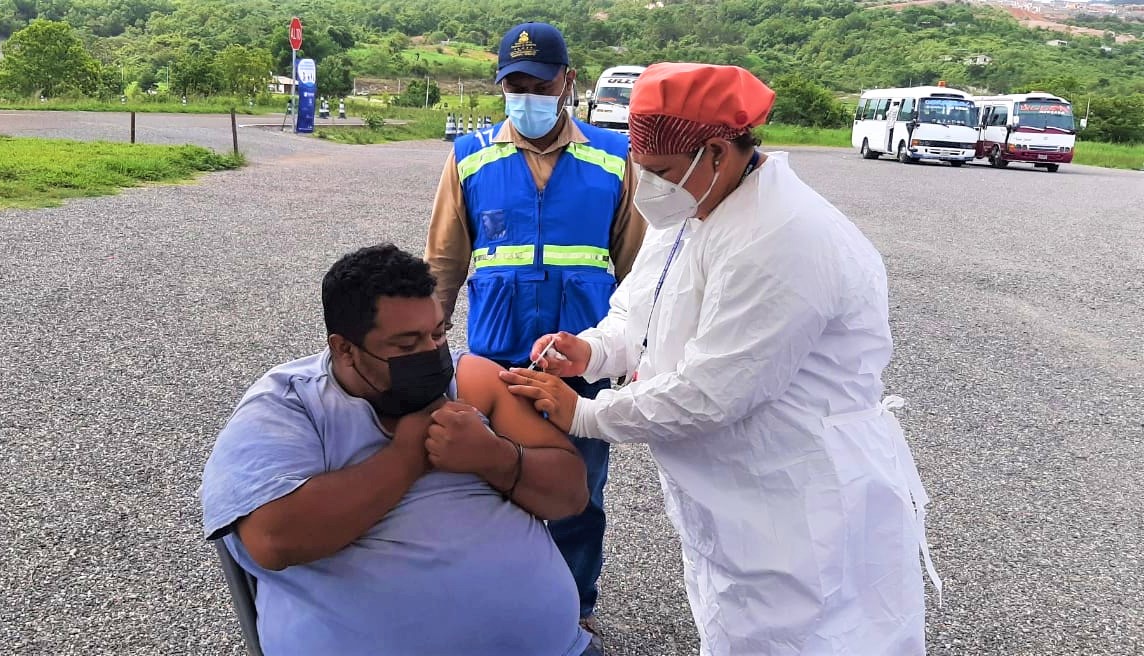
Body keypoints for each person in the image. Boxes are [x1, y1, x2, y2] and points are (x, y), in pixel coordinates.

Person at [500, 63, 941, 655]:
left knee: (813, 636)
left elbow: (712, 392)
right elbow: (643, 311)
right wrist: (590, 350)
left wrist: (583, 415)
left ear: (715, 151)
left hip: (798, 499)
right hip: (735, 491)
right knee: (735, 624)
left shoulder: (782, 237)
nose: (647, 185)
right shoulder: (693, 205)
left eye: (658, 172)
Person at [201, 244, 598, 656]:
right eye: (406, 346)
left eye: (438, 333)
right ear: (345, 349)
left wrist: (494, 457)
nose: (430, 353)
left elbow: (571, 494)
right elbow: (274, 538)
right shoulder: (289, 406)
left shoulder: (471, 379)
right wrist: (408, 456)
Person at [424, 21, 646, 634]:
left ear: (567, 82)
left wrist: (639, 349)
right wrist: (430, 341)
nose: (527, 96)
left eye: (539, 84)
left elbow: (636, 270)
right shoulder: (469, 159)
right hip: (495, 359)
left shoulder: (613, 158)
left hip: (582, 365)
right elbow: (444, 263)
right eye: (514, 85)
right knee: (489, 486)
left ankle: (573, 610)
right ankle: (499, 607)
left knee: (578, 491)